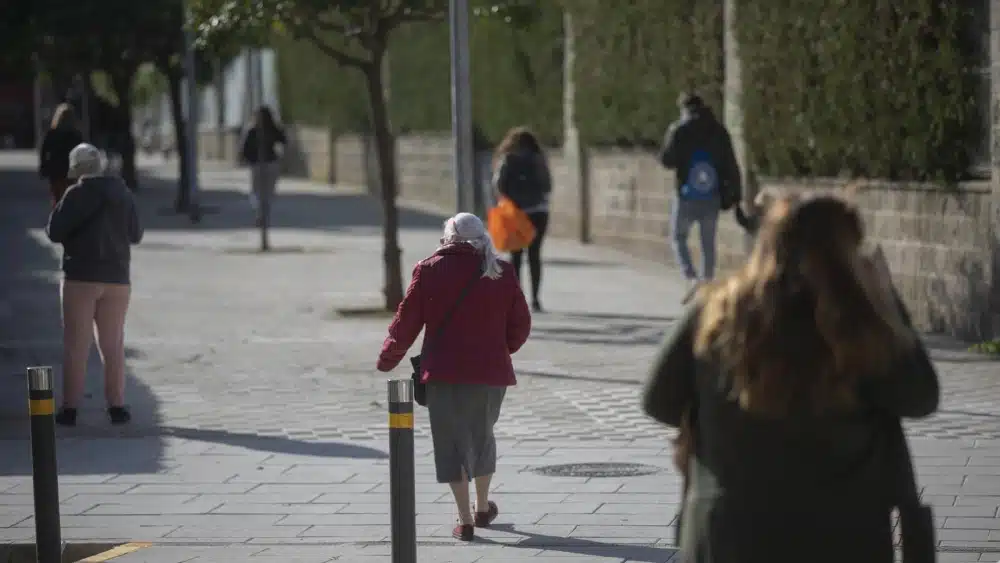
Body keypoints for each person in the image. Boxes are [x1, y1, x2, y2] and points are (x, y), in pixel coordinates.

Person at [642, 193, 939, 563]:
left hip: (729, 537)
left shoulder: (718, 311)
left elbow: (658, 400)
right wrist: (886, 299)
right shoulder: (860, 326)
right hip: (843, 538)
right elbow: (921, 397)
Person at [377, 213, 532, 542]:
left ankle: (464, 521)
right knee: (482, 437)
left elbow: (406, 323)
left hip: (443, 373)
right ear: (482, 238)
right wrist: (501, 349)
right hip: (491, 372)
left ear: (447, 238)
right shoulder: (502, 270)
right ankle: (481, 506)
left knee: (449, 444)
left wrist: (388, 358)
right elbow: (521, 323)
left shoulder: (429, 269)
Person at [46, 143, 144, 426]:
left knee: (76, 345)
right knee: (112, 344)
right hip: (117, 279)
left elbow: (54, 231)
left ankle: (70, 409)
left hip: (80, 277)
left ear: (76, 169)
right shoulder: (123, 194)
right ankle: (117, 407)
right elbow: (136, 234)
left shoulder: (75, 194)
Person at [659, 93, 742, 301]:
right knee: (708, 243)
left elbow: (667, 160)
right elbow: (731, 163)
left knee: (678, 237)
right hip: (711, 194)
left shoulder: (679, 130)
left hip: (686, 195)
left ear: (684, 108)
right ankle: (707, 284)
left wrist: (671, 134)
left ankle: (691, 277)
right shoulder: (719, 131)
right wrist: (735, 193)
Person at [493, 126, 552, 312]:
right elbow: (548, 186)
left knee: (515, 257)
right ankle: (535, 299)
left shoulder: (508, 159)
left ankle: (516, 300)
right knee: (534, 255)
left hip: (516, 214)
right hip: (538, 212)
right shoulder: (538, 159)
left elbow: (499, 186)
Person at [240, 106, 287, 226]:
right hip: (270, 163)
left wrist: (246, 159)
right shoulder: (273, 129)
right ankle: (263, 214)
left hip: (258, 164)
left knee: (256, 192)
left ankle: (260, 213)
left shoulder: (252, 130)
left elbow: (244, 149)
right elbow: (284, 141)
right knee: (267, 193)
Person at [39, 103, 84, 206]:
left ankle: (57, 216)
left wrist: (43, 166)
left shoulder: (52, 134)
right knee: (70, 197)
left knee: (57, 197)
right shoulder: (76, 135)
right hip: (71, 171)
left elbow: (44, 151)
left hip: (55, 171)